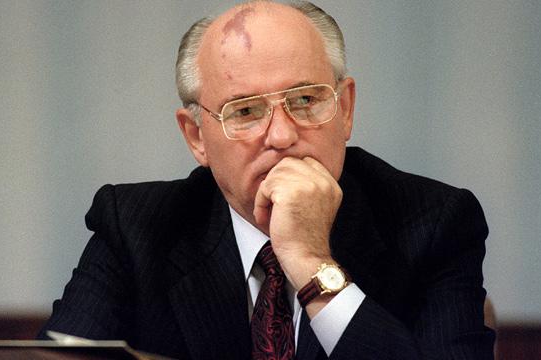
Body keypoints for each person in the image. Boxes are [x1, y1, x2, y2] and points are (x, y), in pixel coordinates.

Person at [38, 1, 495, 359]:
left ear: (346, 109)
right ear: (196, 136)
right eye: (246, 111)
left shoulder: (434, 222)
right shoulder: (136, 228)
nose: (281, 135)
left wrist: (311, 263)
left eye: (306, 100)